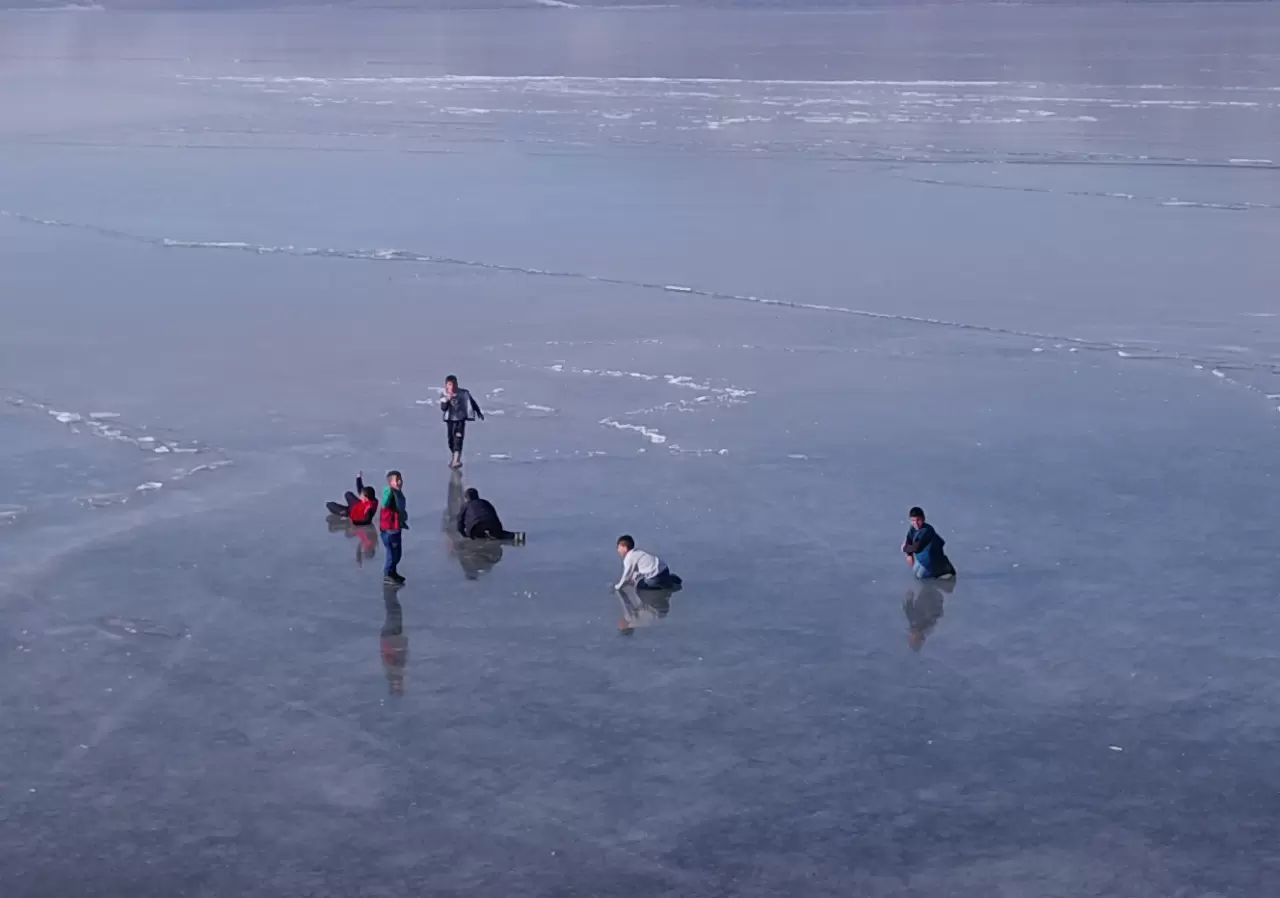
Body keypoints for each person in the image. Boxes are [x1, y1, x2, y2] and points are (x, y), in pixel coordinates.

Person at [439, 375, 484, 469]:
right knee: (451, 441)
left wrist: (478, 412)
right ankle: (454, 456)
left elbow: (472, 402)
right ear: (446, 385)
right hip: (450, 420)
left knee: (458, 440)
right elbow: (443, 408)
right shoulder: (444, 394)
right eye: (450, 384)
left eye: (454, 384)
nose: (452, 386)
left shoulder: (463, 393)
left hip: (460, 420)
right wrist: (448, 399)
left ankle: (456, 460)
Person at [902, 506, 956, 580]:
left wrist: (905, 548)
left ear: (923, 519)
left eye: (918, 520)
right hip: (922, 559)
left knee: (921, 577)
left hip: (933, 562)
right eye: (913, 520)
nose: (916, 523)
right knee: (915, 573)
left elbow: (916, 548)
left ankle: (943, 570)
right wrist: (909, 555)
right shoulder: (913, 528)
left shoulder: (927, 531)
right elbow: (909, 539)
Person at [613, 535, 682, 591]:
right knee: (661, 577)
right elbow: (640, 566)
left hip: (656, 577)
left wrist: (617, 587)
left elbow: (626, 576)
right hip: (665, 569)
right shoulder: (638, 552)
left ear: (625, 548)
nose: (618, 550)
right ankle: (670, 578)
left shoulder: (629, 558)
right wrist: (634, 576)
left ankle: (665, 586)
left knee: (639, 585)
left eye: (618, 547)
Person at [379, 470, 408, 586]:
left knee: (397, 553)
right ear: (390, 482)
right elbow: (385, 504)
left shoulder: (398, 493)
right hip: (389, 530)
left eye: (400, 479)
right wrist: (388, 491)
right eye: (397, 480)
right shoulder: (389, 492)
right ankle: (388, 574)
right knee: (391, 553)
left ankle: (393, 572)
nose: (400, 482)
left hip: (396, 528)